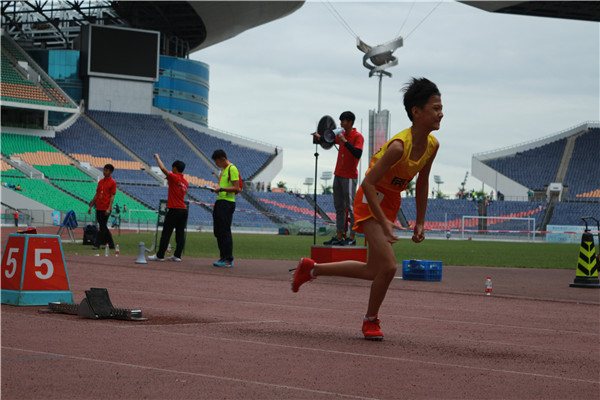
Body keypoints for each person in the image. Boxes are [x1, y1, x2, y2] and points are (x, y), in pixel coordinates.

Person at [292, 77, 442, 341]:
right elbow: (368, 182)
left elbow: (423, 182)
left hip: (391, 201)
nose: (441, 113)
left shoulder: (432, 146)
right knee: (390, 267)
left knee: (375, 269)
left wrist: (420, 221)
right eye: (435, 108)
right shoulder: (398, 147)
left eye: (441, 108)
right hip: (369, 198)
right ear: (416, 112)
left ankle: (311, 269)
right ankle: (370, 320)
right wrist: (383, 221)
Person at [315, 111, 364, 246]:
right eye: (341, 121)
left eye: (343, 121)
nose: (341, 124)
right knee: (339, 207)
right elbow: (329, 139)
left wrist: (346, 142)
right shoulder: (341, 135)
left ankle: (352, 237)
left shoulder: (357, 136)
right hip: (338, 174)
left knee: (351, 207)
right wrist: (320, 138)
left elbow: (358, 153)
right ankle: (339, 235)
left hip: (349, 177)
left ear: (350, 123)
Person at [148, 154, 189, 262]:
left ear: (175, 168)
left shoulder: (174, 177)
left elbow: (162, 169)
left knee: (166, 233)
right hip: (183, 210)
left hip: (174, 209)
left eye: (172, 168)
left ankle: (160, 255)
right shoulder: (185, 182)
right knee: (180, 234)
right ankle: (177, 255)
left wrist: (157, 158)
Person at [211, 149, 241, 267]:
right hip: (220, 201)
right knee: (218, 231)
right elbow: (222, 186)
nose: (216, 164)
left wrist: (221, 189)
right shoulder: (223, 170)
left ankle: (228, 259)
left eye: (217, 162)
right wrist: (216, 187)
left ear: (223, 159)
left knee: (224, 231)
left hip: (227, 203)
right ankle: (223, 257)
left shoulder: (232, 169)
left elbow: (237, 188)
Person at [88, 164, 117, 250]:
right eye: (104, 170)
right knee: (103, 226)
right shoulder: (100, 182)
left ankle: (97, 244)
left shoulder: (113, 183)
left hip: (106, 208)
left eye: (107, 170)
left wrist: (109, 208)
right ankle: (111, 245)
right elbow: (97, 194)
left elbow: (112, 196)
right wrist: (91, 206)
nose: (104, 172)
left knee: (102, 227)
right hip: (98, 207)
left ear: (111, 172)